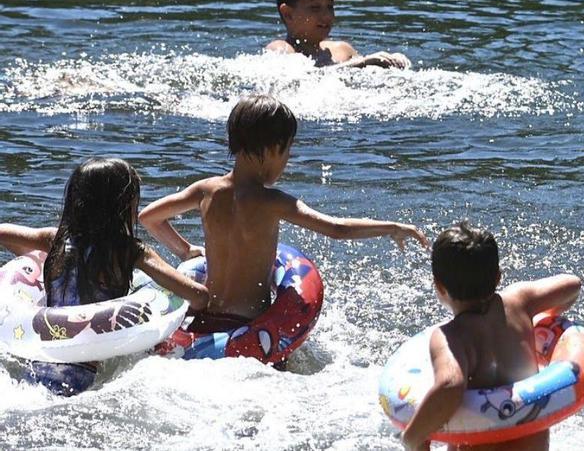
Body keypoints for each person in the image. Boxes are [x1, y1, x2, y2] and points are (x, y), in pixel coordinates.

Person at [138, 95, 428, 335]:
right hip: (248, 327)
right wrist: (393, 226)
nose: (287, 160)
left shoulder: (205, 190)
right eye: (287, 151)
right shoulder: (272, 202)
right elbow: (337, 229)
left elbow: (149, 218)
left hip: (204, 322)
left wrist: (185, 250)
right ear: (273, 150)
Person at [0, 158, 209, 396]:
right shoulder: (130, 251)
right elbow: (197, 296)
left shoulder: (53, 240)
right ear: (124, 206)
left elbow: (3, 232)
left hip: (36, 366)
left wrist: (35, 260)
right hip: (83, 377)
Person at [401, 222, 582, 451]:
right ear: (498, 276)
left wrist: (412, 438)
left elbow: (449, 386)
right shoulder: (520, 301)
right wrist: (538, 322)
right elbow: (572, 285)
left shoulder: (451, 336)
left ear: (439, 286)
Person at [265, 0, 412, 69]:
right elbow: (300, 80)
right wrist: (362, 63)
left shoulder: (343, 50)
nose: (328, 16)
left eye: (330, 6)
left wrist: (391, 62)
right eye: (315, 8)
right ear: (288, 14)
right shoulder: (281, 49)